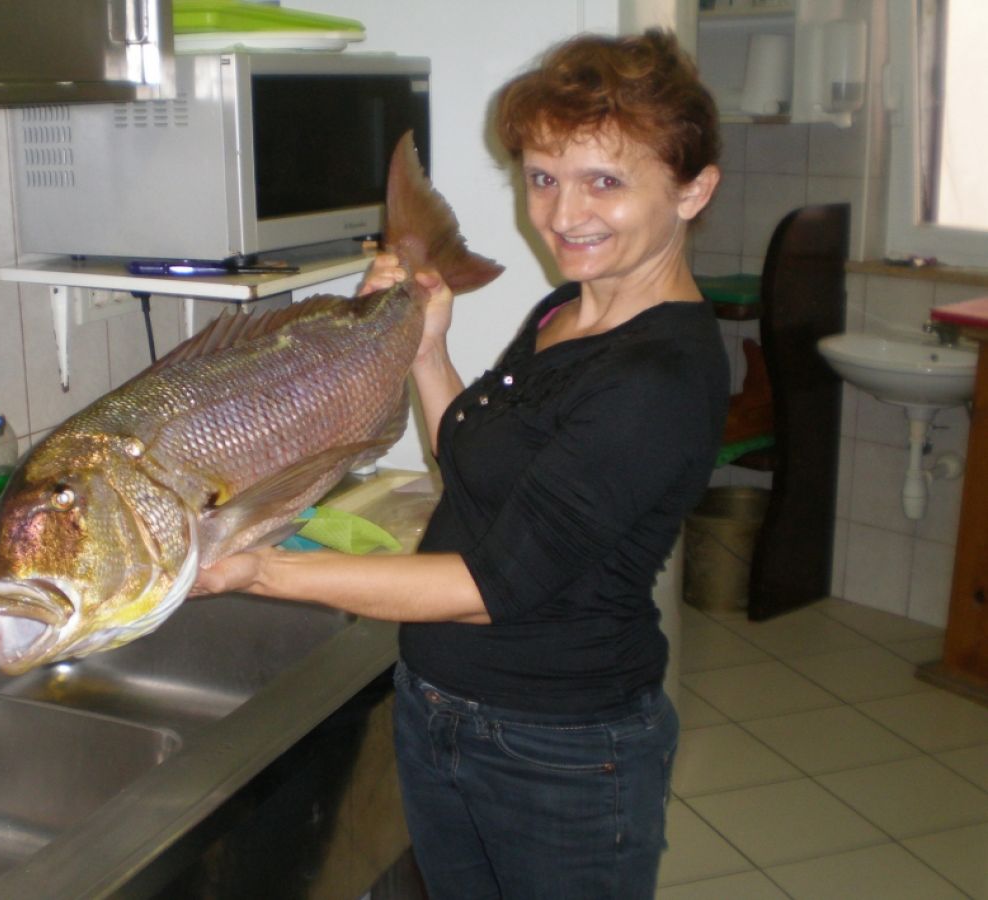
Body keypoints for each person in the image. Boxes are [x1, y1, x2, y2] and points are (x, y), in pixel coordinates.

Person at [193, 28, 728, 899]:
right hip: (440, 711)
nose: (561, 214)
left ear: (692, 190)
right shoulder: (569, 310)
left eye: (605, 181)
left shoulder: (658, 378)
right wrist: (426, 352)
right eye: (543, 177)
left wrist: (262, 570)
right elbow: (478, 466)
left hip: (560, 748)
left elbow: (486, 587)